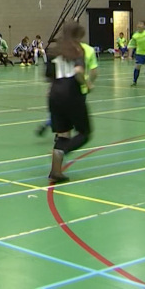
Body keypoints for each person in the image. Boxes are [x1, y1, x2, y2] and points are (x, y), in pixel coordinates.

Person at [46, 22, 93, 184]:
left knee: (63, 133)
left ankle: (56, 172)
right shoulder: (77, 50)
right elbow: (79, 72)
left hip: (54, 94)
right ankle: (63, 150)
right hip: (71, 94)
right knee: (85, 132)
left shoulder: (53, 51)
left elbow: (48, 76)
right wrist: (87, 84)